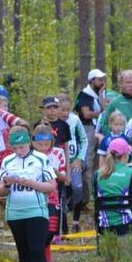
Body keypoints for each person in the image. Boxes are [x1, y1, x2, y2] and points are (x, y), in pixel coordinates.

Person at [0, 126, 58, 262]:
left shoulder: (40, 158)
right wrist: (7, 184)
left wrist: (32, 184)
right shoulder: (7, 161)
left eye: (22, 147)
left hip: (36, 211)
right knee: (23, 253)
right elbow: (0, 190)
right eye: (15, 148)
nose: (19, 151)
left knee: (36, 249)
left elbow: (52, 186)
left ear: (29, 142)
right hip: (14, 213)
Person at [92, 138, 132, 237]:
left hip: (104, 226)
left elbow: (95, 197)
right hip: (129, 225)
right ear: (125, 155)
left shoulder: (98, 174)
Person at [31, 124, 68, 261]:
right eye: (40, 145)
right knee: (38, 230)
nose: (43, 148)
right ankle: (41, 259)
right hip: (35, 197)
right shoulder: (29, 155)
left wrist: (51, 170)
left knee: (51, 230)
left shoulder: (58, 153)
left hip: (52, 197)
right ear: (33, 143)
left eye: (46, 144)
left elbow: (64, 177)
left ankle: (43, 256)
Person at [57, 93, 88, 231]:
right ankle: (62, 222)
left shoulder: (75, 120)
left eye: (67, 110)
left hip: (74, 161)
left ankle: (76, 220)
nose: (65, 113)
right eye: (62, 110)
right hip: (60, 164)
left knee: (78, 188)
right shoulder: (53, 123)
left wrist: (79, 158)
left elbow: (84, 139)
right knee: (61, 193)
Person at [75, 69, 108, 195]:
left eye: (102, 79)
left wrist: (101, 95)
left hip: (98, 129)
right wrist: (101, 113)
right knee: (87, 162)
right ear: (92, 80)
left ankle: (96, 191)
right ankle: (85, 196)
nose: (102, 82)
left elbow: (106, 108)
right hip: (87, 128)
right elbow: (86, 114)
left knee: (98, 161)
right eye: (99, 79)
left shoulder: (100, 94)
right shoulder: (85, 94)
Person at [0, 91, 24, 181]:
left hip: (10, 157)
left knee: (13, 181)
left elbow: (21, 123)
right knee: (0, 183)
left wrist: (18, 140)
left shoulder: (3, 114)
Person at [96, 70, 132, 135]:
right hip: (123, 141)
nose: (130, 85)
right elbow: (104, 123)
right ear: (121, 84)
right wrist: (114, 136)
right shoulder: (115, 102)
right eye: (127, 82)